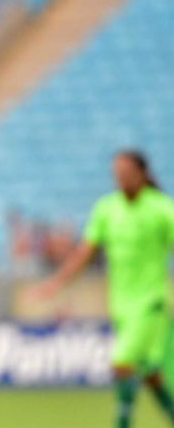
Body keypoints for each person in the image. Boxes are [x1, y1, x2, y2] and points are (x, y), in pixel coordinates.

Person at [30, 150, 174, 428]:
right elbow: (84, 253)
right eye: (117, 174)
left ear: (142, 174)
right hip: (121, 305)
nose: (121, 178)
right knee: (151, 375)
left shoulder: (161, 208)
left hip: (151, 304)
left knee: (122, 361)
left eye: (127, 173)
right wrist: (55, 284)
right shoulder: (107, 209)